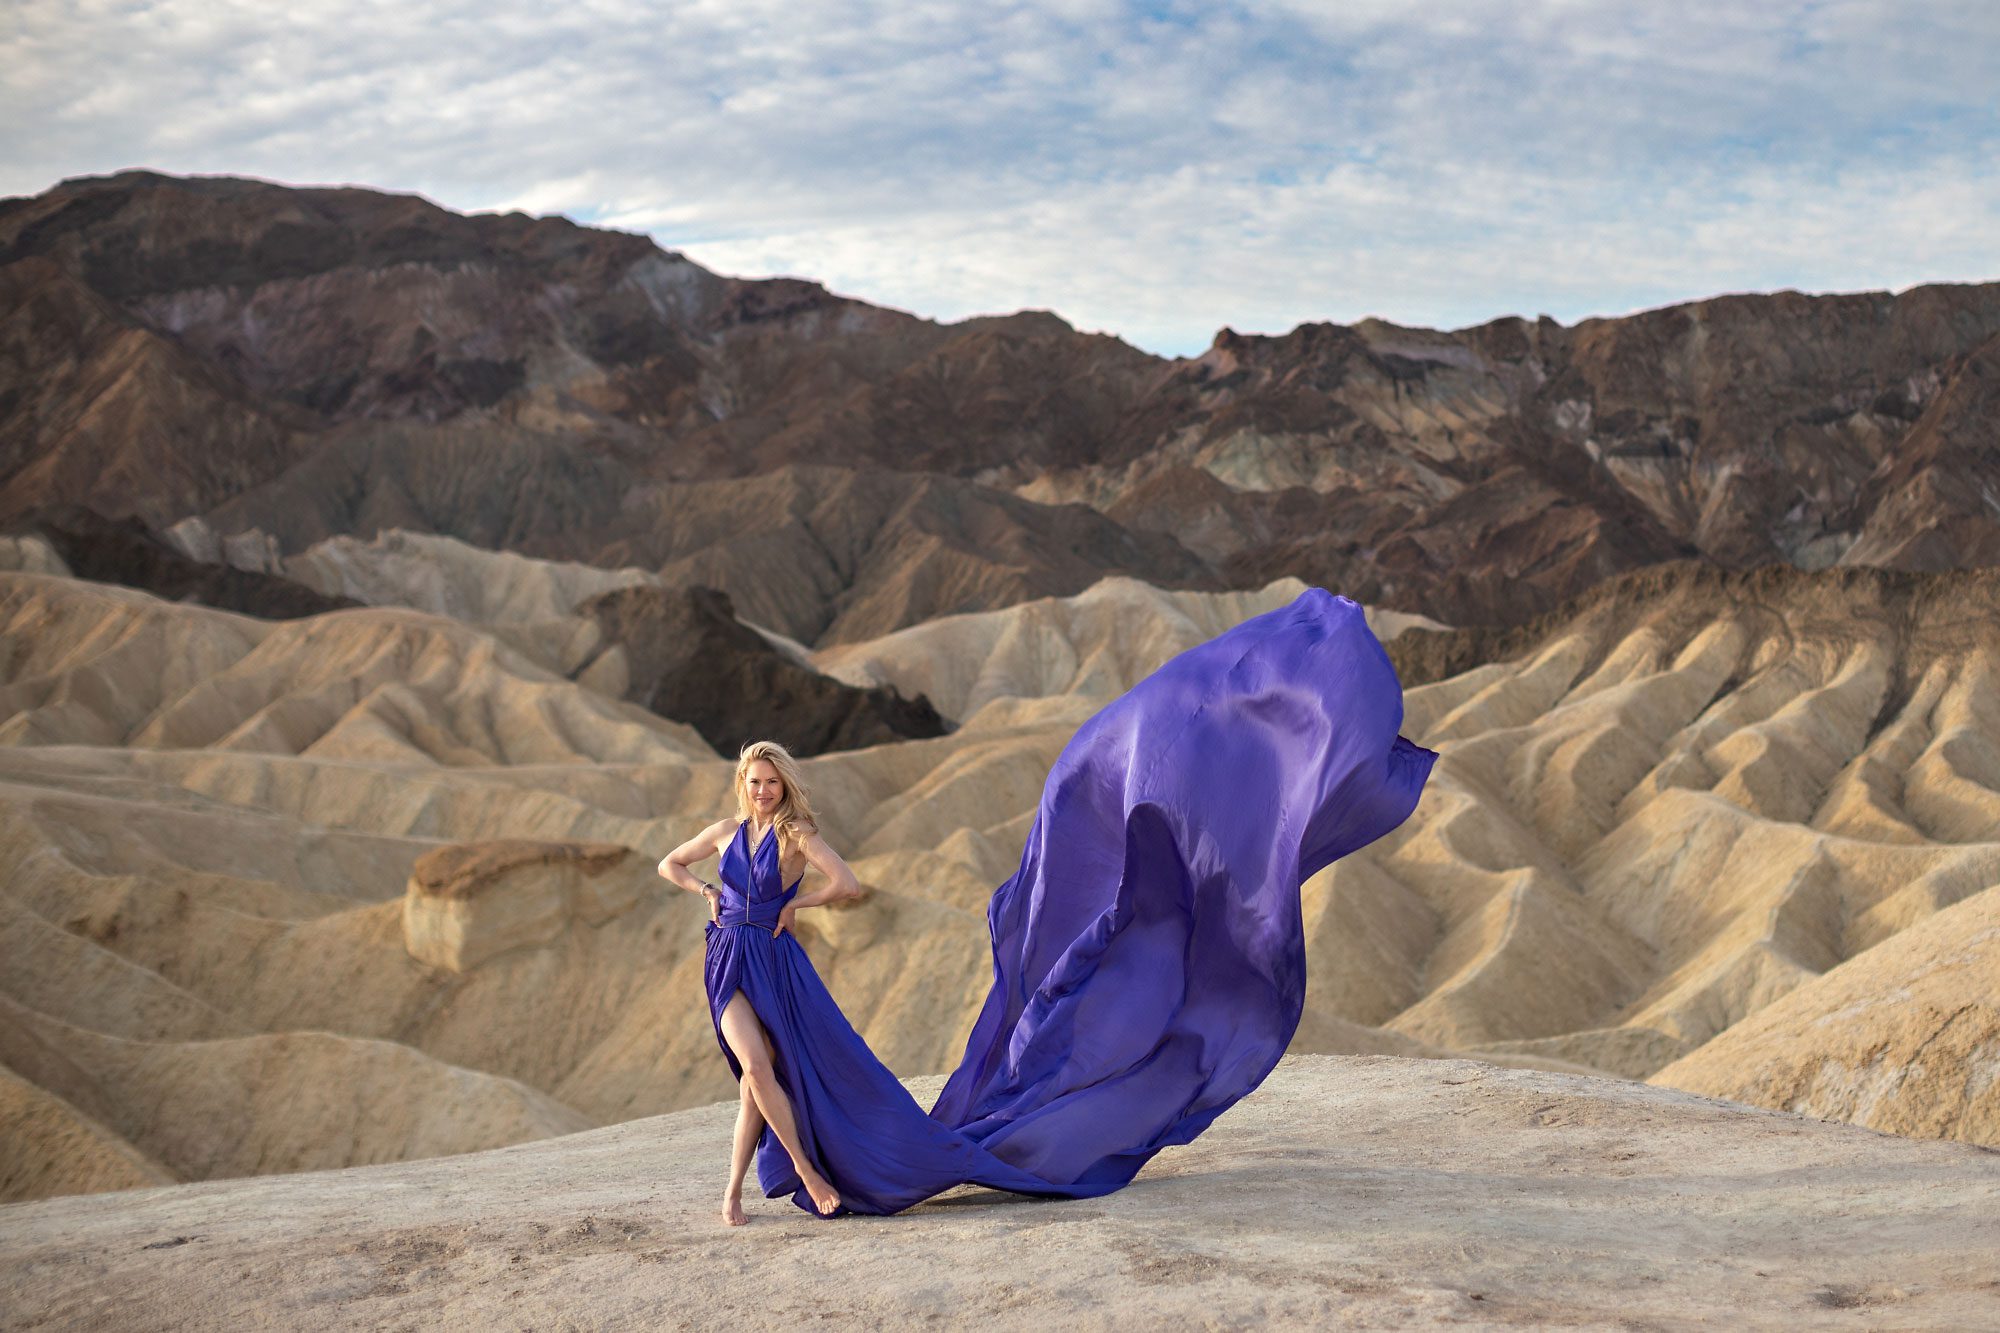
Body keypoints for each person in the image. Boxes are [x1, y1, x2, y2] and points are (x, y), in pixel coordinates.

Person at [659, 586, 1439, 1224]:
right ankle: (773, 1181)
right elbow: (671, 862)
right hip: (726, 954)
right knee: (758, 1067)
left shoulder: (794, 834)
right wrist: (709, 896)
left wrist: (795, 905)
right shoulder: (726, 830)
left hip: (773, 957)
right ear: (740, 787)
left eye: (770, 780)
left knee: (765, 1072)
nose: (761, 790)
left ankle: (760, 1184)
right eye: (753, 781)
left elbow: (849, 883)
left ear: (781, 786)